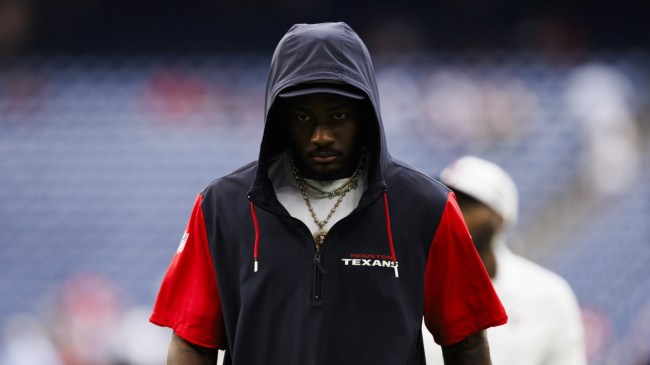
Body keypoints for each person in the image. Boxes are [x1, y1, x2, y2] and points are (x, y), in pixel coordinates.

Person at [149, 22, 507, 365]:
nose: (321, 135)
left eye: (338, 116)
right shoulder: (222, 206)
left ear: (366, 115)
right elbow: (193, 342)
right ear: (279, 117)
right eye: (303, 118)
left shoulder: (427, 206)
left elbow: (467, 342)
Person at [423, 156, 587, 365]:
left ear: (500, 218)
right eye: (444, 199)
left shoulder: (549, 296)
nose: (451, 211)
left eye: (466, 203)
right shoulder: (408, 283)